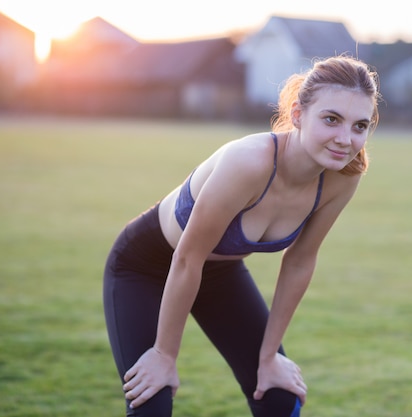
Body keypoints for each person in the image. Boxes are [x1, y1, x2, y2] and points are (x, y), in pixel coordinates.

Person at [103, 55, 381, 417]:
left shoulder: (343, 177)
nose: (345, 139)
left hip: (219, 274)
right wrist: (164, 355)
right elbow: (187, 258)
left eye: (360, 126)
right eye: (331, 119)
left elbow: (299, 261)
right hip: (145, 266)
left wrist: (269, 357)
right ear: (298, 115)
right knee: (151, 404)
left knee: (279, 398)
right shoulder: (248, 162)